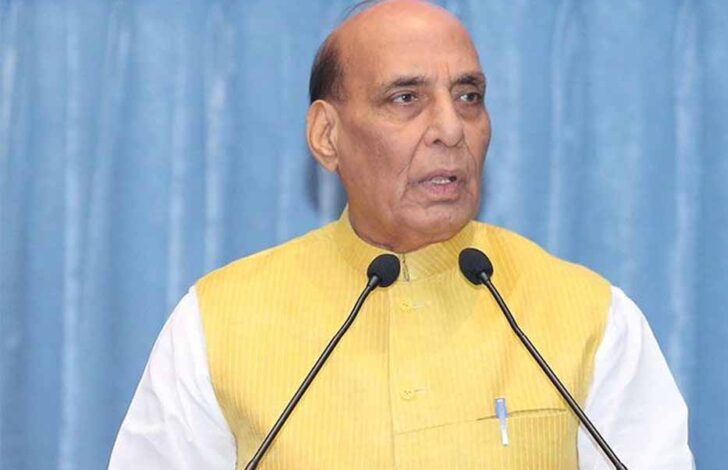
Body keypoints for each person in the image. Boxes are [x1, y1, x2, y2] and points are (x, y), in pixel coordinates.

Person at [109, 1, 694, 469]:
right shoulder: (217, 322)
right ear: (327, 136)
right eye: (406, 98)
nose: (450, 129)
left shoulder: (590, 318)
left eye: (468, 97)